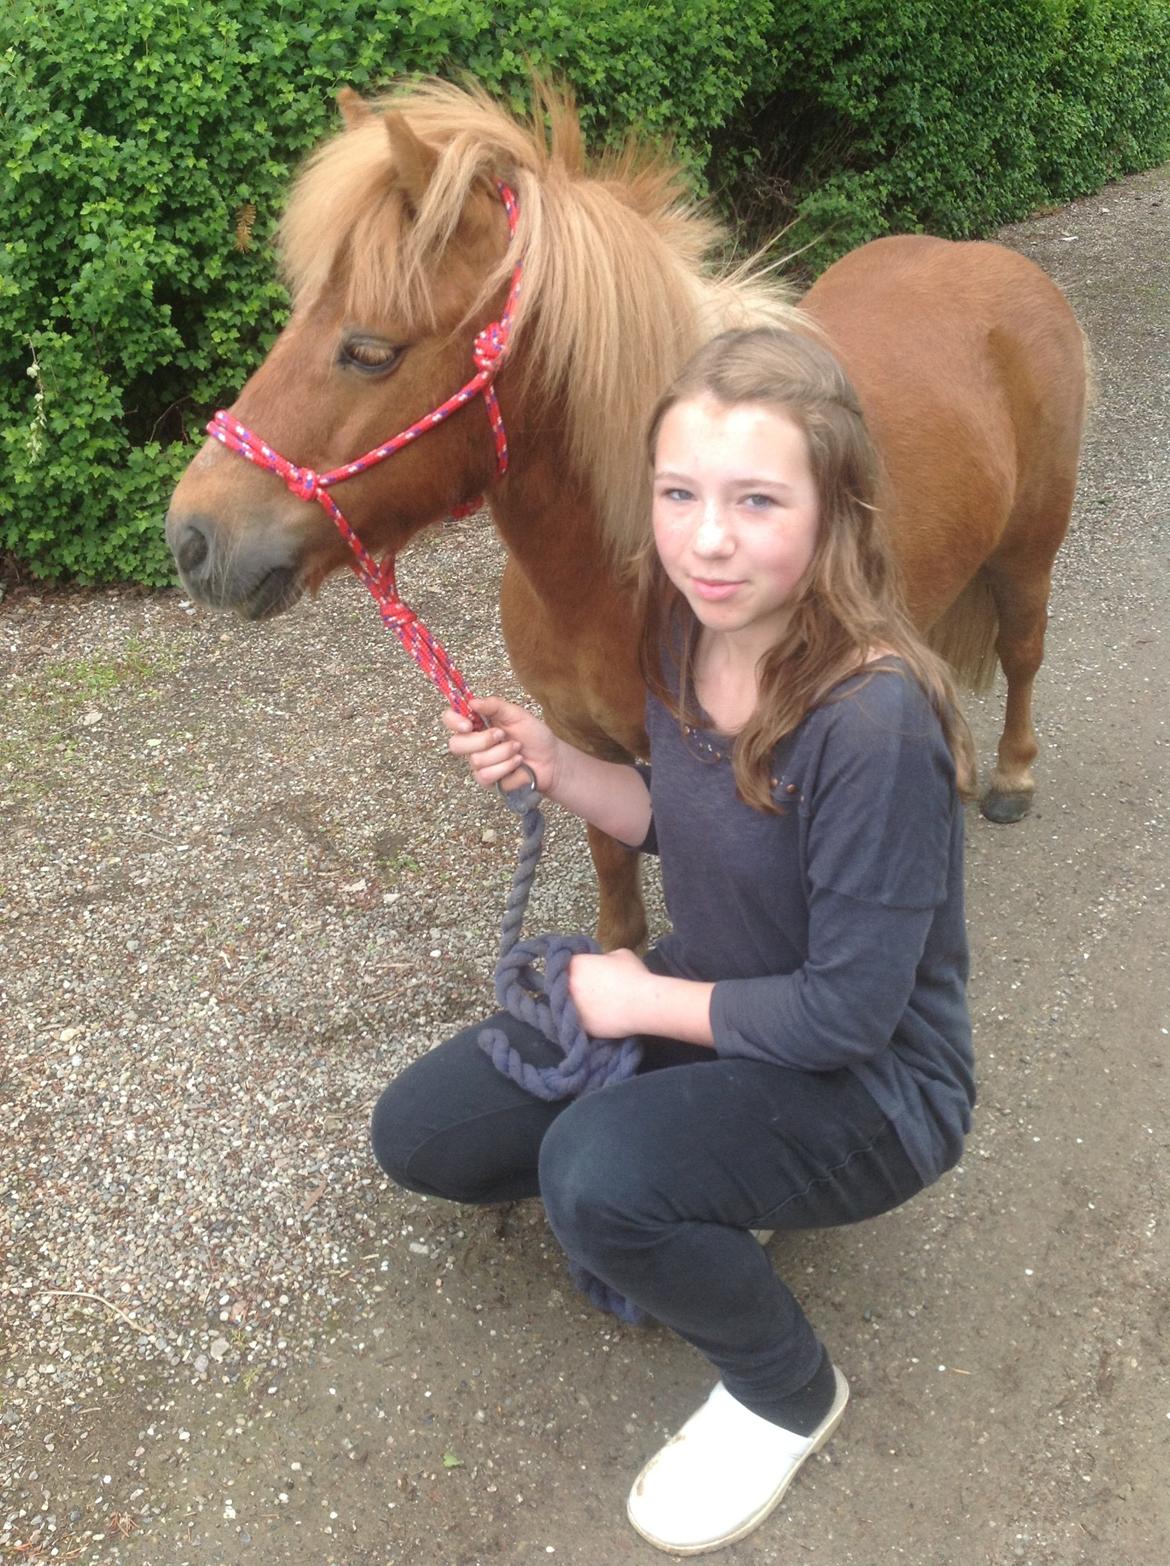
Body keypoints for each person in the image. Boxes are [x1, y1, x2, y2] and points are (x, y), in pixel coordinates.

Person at [370, 326, 976, 1555]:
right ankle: (703, 1179)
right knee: (422, 1135)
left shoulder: (875, 722)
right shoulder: (678, 630)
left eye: (757, 500)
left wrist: (634, 998)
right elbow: (682, 820)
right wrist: (558, 764)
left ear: (836, 509)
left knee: (593, 1175)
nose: (708, 538)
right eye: (680, 494)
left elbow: (849, 1016)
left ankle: (785, 1392)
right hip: (731, 1000)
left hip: (873, 1083)